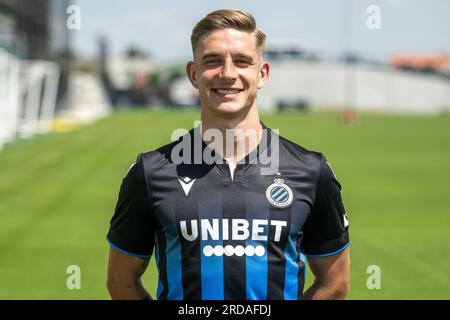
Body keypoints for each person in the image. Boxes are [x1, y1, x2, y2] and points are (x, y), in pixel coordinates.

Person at [106, 9, 350, 300]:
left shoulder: (312, 171)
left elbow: (334, 283)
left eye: (242, 61)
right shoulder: (150, 172)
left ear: (262, 74)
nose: (228, 73)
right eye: (213, 61)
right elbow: (121, 282)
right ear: (193, 74)